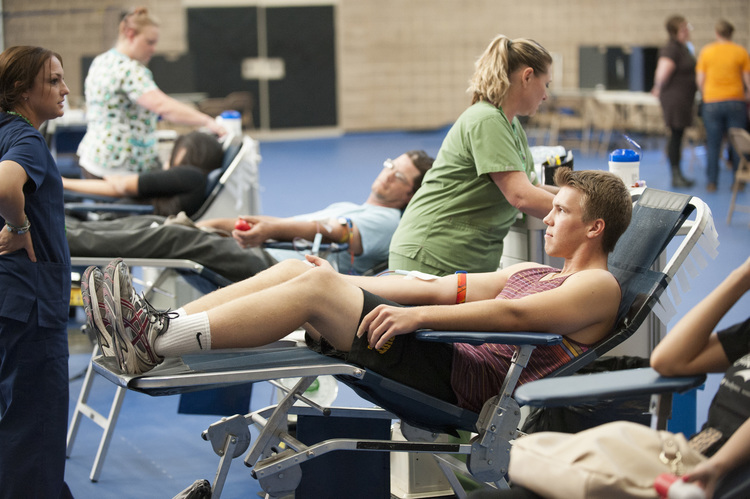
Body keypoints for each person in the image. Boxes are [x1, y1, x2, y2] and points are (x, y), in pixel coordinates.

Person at [82, 168, 631, 415]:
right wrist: (346, 282)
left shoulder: (597, 286)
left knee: (314, 285)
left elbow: (513, 316)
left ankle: (157, 337)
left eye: (561, 211)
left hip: (469, 382)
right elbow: (443, 288)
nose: (548, 217)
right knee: (309, 277)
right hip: (446, 355)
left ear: (595, 228)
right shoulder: (538, 269)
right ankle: (156, 330)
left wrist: (417, 320)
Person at [479, 257, 750, 499]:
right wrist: (740, 278)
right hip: (688, 464)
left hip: (716, 480)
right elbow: (668, 360)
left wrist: (719, 465)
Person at [66, 150, 434, 278]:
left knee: (176, 237)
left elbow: (330, 231)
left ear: (409, 193)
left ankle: (64, 239)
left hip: (281, 271)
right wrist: (208, 226)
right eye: (390, 164)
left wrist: (267, 230)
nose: (387, 173)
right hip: (266, 254)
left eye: (399, 175)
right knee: (162, 225)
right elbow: (269, 226)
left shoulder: (389, 222)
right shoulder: (351, 205)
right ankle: (63, 226)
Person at [388, 34, 556, 276]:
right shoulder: (486, 119)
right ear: (528, 76)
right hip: (431, 255)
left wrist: (584, 199)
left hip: (456, 259)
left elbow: (533, 186)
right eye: (546, 84)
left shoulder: (511, 125)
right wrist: (588, 215)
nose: (546, 96)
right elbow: (522, 196)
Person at [0, 46, 73, 499]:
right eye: (53, 81)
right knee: (37, 425)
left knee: (15, 420)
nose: (65, 90)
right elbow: (6, 186)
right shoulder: (26, 139)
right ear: (21, 91)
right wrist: (19, 224)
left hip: (13, 300)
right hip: (31, 307)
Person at [76, 6, 225, 178]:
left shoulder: (101, 61)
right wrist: (207, 121)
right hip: (117, 167)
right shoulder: (129, 69)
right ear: (130, 34)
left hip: (94, 158)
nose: (153, 49)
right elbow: (162, 106)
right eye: (150, 42)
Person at [64, 131, 223, 217]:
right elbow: (119, 188)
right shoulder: (189, 182)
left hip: (121, 224)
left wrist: (115, 178)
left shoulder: (191, 176)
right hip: (118, 222)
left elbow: (123, 186)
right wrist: (64, 183)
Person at [695, 19, 750, 192]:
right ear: (731, 33)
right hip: (736, 101)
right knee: (737, 142)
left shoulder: (707, 52)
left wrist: (706, 95)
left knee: (713, 143)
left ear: (717, 33)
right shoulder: (740, 52)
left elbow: (700, 79)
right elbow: (748, 79)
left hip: (712, 102)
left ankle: (712, 182)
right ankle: (738, 181)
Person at [651, 15, 697, 188]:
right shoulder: (671, 48)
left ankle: (679, 173)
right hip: (674, 99)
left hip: (683, 99)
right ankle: (675, 175)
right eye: (683, 28)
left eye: (687, 27)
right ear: (675, 31)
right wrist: (657, 87)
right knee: (675, 136)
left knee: (679, 136)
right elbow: (662, 72)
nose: (686, 31)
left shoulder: (682, 48)